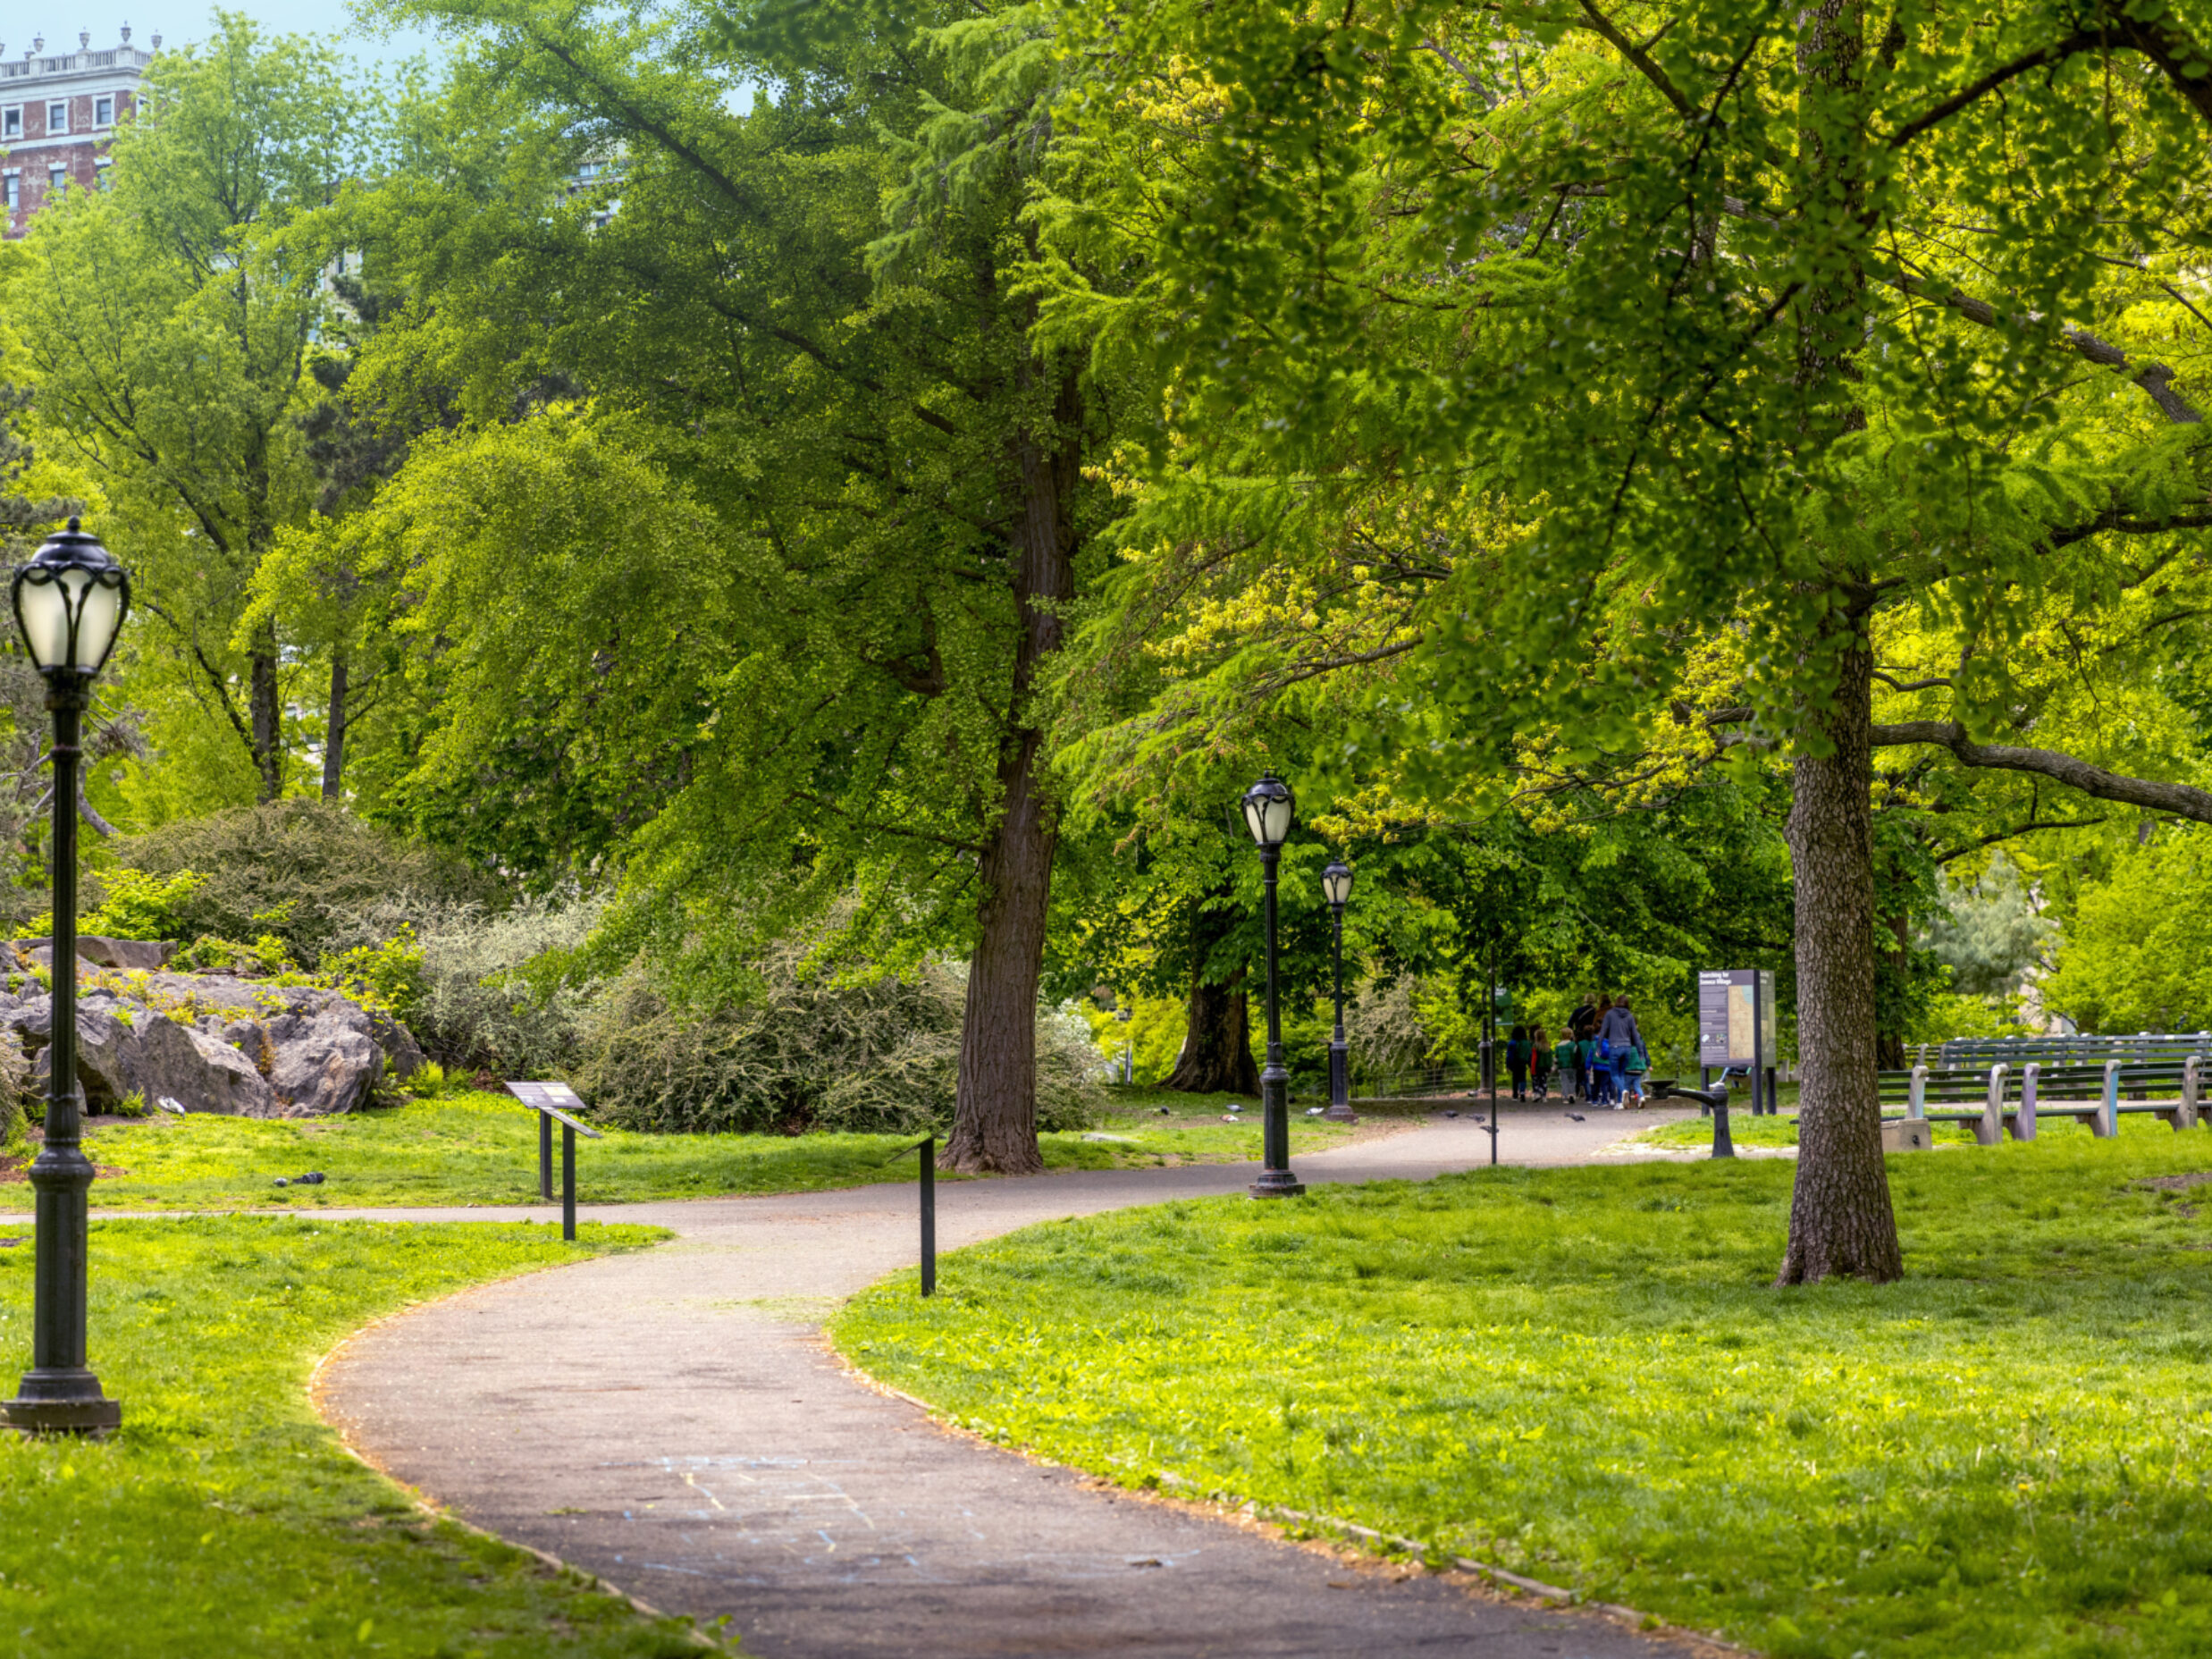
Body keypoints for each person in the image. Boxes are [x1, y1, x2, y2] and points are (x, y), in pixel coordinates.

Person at [1600, 995, 1645, 1106]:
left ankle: (1623, 1092)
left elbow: (1603, 1031)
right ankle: (1620, 1102)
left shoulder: (1610, 1014)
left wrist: (1599, 1045)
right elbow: (1635, 1035)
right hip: (1627, 1048)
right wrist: (1640, 1052)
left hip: (1614, 1047)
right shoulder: (1629, 1016)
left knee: (1614, 1075)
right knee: (1621, 1074)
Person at [1529, 1023, 1552, 1101]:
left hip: (1537, 1067)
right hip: (1545, 1067)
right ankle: (1544, 1096)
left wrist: (1532, 1068)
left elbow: (1534, 1058)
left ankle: (1537, 1093)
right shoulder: (1548, 1047)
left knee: (1536, 1081)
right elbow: (1550, 1058)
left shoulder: (1535, 1046)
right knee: (1544, 1081)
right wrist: (1550, 1067)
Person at [1506, 1024, 1530, 1100]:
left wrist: (1508, 1065)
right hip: (1523, 1062)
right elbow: (1529, 1053)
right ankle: (1522, 1092)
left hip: (1514, 1062)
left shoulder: (1512, 1043)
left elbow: (1509, 1055)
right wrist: (1529, 1063)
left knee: (1515, 1078)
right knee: (1522, 1078)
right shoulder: (1526, 1043)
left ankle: (1515, 1095)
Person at [1552, 1030, 1576, 1103]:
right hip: (1571, 1065)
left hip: (1562, 1066)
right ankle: (1571, 1095)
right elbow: (1575, 1055)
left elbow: (1556, 1057)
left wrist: (1554, 1066)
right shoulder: (1572, 1044)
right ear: (1570, 1035)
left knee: (1564, 1081)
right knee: (1572, 1080)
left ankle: (1565, 1097)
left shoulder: (1558, 1046)